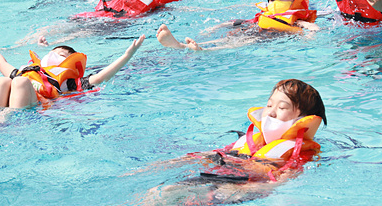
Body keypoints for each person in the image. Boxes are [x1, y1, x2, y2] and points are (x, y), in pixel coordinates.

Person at [140, 79, 327, 204]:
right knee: (162, 192)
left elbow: (286, 178)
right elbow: (219, 154)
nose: (270, 111)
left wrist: (256, 188)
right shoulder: (251, 140)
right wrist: (177, 161)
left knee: (205, 197)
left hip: (246, 186)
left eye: (282, 107)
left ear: (305, 118)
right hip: (221, 175)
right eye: (269, 104)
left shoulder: (300, 151)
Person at [0, 28, 145, 108]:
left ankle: (7, 119)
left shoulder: (69, 82)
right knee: (3, 80)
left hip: (32, 109)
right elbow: (1, 63)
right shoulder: (30, 70)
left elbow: (100, 77)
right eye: (53, 51)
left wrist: (127, 55)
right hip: (10, 101)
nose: (55, 55)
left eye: (61, 55)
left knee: (20, 83)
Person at [157, 0, 318, 51]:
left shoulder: (296, 19)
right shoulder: (265, 16)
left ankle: (203, 50)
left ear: (295, 3)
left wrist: (311, 32)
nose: (277, 2)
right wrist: (217, 27)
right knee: (231, 38)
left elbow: (310, 27)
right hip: (256, 31)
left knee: (240, 43)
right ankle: (180, 45)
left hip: (274, 38)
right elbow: (240, 22)